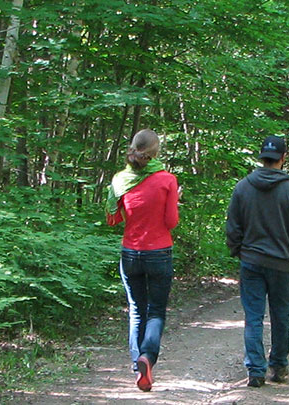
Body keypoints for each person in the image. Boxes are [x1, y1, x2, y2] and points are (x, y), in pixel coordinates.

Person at [223, 135, 289, 388]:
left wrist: (238, 250)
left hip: (251, 261)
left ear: (261, 157)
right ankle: (279, 366)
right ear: (283, 158)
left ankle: (256, 371)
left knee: (253, 317)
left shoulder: (242, 187)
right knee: (281, 316)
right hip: (283, 263)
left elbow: (233, 228)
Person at [106, 129, 179, 392]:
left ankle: (138, 367)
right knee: (156, 311)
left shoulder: (120, 180)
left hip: (130, 253)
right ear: (156, 151)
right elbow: (171, 222)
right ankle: (148, 357)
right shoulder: (167, 180)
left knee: (137, 309)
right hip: (159, 252)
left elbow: (113, 218)